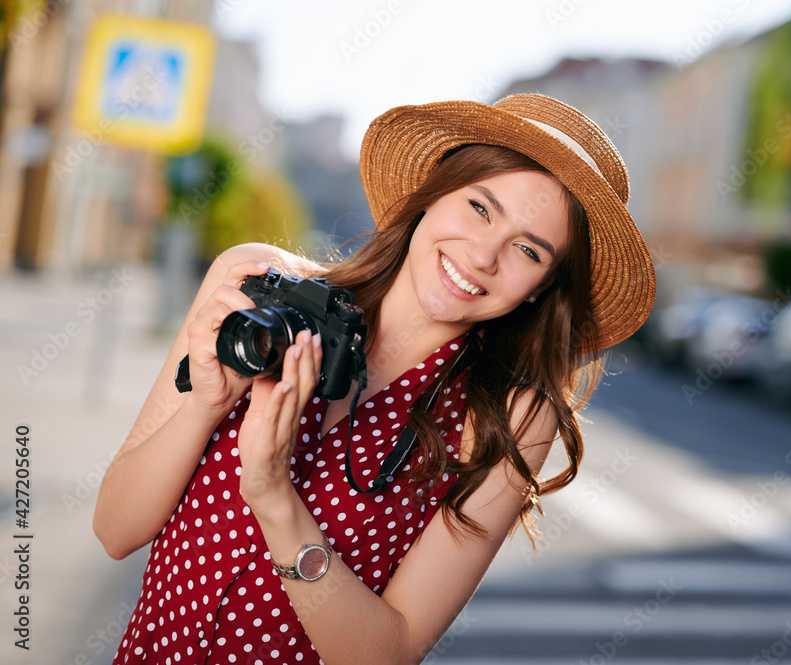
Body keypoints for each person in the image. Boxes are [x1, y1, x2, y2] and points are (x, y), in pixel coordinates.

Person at [94, 93, 655, 665]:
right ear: (434, 194)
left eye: (528, 251)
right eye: (480, 208)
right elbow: (115, 529)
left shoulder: (507, 418)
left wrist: (275, 500)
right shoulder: (258, 286)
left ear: (540, 287)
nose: (484, 255)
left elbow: (390, 653)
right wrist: (205, 407)